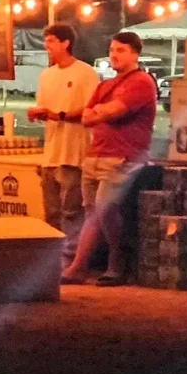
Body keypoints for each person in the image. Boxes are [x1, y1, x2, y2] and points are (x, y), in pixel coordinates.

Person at [61, 31, 157, 287]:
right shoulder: (105, 85)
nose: (114, 54)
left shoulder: (142, 82)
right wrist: (102, 112)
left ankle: (118, 261)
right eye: (112, 49)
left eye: (121, 50)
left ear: (135, 54)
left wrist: (102, 111)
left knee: (105, 210)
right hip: (95, 155)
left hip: (123, 156)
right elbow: (86, 117)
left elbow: (115, 111)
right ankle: (78, 267)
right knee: (92, 213)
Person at [27, 24, 99, 265]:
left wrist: (59, 114)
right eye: (46, 41)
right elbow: (45, 106)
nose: (47, 46)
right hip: (51, 152)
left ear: (66, 43)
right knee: (52, 212)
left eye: (51, 41)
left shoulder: (86, 73)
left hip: (74, 151)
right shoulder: (47, 75)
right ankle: (49, 261)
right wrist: (38, 113)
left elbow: (90, 110)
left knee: (71, 211)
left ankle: (71, 261)